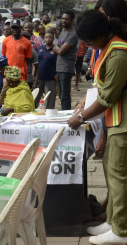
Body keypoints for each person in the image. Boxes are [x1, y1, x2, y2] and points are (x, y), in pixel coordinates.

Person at [68, 9, 127, 245]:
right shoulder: (109, 47)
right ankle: (112, 222)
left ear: (101, 36)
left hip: (123, 123)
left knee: (118, 177)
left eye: (89, 42)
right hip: (116, 120)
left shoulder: (119, 54)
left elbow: (107, 97)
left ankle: (121, 231)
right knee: (110, 171)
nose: (88, 46)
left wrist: (81, 117)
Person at [53, 10, 78, 110]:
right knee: (61, 95)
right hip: (59, 67)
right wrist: (57, 48)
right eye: (63, 18)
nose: (63, 21)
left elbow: (61, 50)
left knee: (65, 95)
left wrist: (56, 49)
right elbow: (57, 45)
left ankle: (66, 115)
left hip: (66, 68)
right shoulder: (64, 31)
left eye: (66, 19)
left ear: (72, 20)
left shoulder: (72, 34)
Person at [35, 31, 57, 109]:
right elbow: (36, 63)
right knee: (36, 97)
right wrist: (34, 76)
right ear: (44, 38)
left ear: (53, 39)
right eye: (46, 37)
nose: (48, 39)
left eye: (50, 37)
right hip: (39, 77)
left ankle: (49, 113)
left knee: (49, 98)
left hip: (50, 78)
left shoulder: (55, 50)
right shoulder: (40, 49)